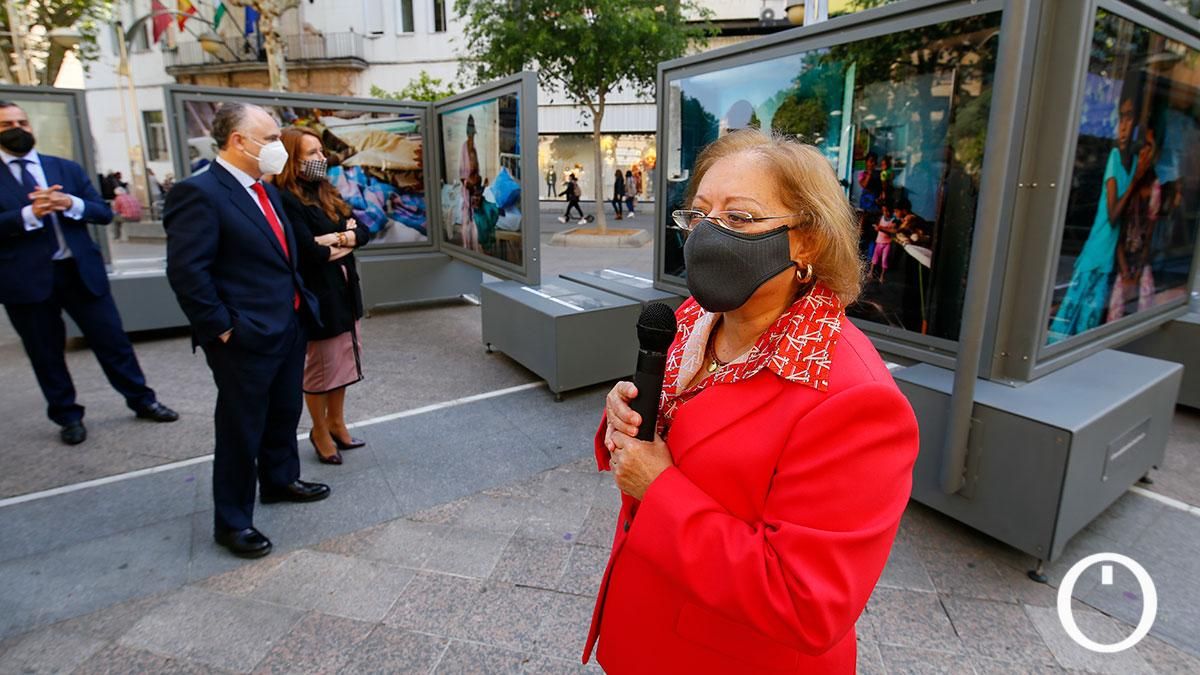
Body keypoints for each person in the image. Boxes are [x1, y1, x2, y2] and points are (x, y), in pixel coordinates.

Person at [584, 128, 919, 673]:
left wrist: (659, 486)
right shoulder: (695, 319)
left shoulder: (855, 399)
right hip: (645, 630)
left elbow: (806, 603)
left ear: (806, 240)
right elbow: (676, 436)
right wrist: (621, 420)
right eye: (699, 216)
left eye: (739, 219)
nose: (709, 235)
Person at [164, 102, 330, 559]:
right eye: (272, 138)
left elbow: (280, 254)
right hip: (244, 336)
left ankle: (279, 480)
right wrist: (222, 330)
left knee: (283, 410)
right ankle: (233, 521)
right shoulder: (199, 194)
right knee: (241, 428)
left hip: (288, 324)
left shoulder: (267, 191)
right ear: (238, 141)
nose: (279, 146)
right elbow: (187, 273)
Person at [0, 101, 178, 445]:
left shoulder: (63, 168)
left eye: (22, 121)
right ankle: (67, 416)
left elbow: (100, 211)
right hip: (26, 280)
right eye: (7, 123)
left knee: (113, 341)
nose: (18, 128)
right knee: (45, 351)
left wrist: (70, 204)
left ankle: (143, 400)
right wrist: (29, 214)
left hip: (79, 270)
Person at [275, 126, 371, 465]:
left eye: (320, 151)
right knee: (319, 368)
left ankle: (337, 423)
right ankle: (319, 430)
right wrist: (343, 238)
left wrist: (335, 240)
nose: (321, 158)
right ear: (293, 160)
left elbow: (365, 231)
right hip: (318, 297)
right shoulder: (286, 198)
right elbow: (307, 253)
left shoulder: (327, 191)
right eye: (312, 153)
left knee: (343, 363)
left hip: (344, 291)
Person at [1049, 93, 1154, 342]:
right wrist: (1136, 181)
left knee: (1089, 323)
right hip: (1096, 254)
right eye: (1121, 118)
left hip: (1109, 259)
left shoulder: (1133, 161)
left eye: (1130, 118)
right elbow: (1113, 214)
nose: (1124, 126)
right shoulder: (1115, 158)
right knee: (1071, 322)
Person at [459, 115, 482, 252]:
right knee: (466, 218)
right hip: (468, 187)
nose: (473, 136)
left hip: (474, 187)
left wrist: (478, 184)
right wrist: (469, 185)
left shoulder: (473, 148)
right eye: (471, 133)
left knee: (474, 219)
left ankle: (475, 247)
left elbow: (476, 169)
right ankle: (466, 247)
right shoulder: (465, 147)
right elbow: (462, 173)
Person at [857, 152, 883, 257]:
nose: (873, 164)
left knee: (874, 231)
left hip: (876, 205)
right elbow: (864, 185)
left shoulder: (879, 175)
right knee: (863, 229)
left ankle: (871, 257)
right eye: (870, 161)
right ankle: (859, 253)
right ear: (866, 162)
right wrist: (870, 174)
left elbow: (882, 189)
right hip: (866, 204)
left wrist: (881, 198)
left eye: (874, 161)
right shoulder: (862, 174)